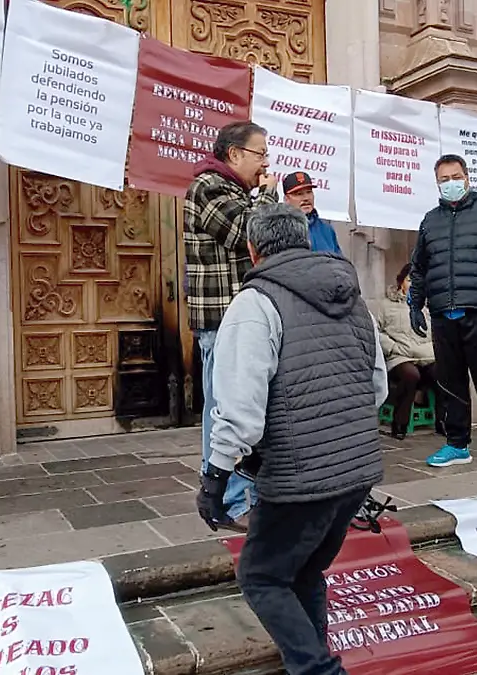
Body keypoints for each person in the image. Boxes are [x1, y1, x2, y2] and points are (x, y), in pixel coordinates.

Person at [194, 203, 388, 675]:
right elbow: (377, 386)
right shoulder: (351, 297)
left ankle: (319, 669)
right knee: (301, 570)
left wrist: (215, 479)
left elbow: (240, 410)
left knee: (261, 575)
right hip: (358, 470)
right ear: (304, 238)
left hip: (302, 476)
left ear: (252, 248)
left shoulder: (256, 302)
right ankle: (313, 658)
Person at [184, 121, 278, 526]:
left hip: (244, 318)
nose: (265, 163)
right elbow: (245, 232)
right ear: (234, 154)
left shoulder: (237, 191)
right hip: (222, 319)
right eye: (260, 154)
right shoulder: (208, 186)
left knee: (246, 406)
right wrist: (268, 195)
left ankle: (249, 494)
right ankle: (229, 502)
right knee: (227, 411)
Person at [407, 154, 477, 479]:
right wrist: (415, 304)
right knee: (450, 384)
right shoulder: (430, 221)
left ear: (467, 178)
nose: (450, 184)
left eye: (455, 177)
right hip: (444, 316)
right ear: (437, 183)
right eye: (444, 179)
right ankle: (457, 445)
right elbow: (419, 268)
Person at [376, 263, 439, 440]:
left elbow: (436, 334)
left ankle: (444, 422)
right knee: (410, 375)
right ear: (401, 281)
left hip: (426, 356)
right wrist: (393, 347)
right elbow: (376, 331)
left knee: (443, 373)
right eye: (410, 280)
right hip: (399, 356)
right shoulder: (386, 305)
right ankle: (400, 423)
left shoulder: (428, 307)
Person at [283, 170, 342, 254]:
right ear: (286, 199)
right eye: (299, 194)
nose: (306, 198)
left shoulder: (326, 228)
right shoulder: (280, 230)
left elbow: (339, 261)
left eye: (309, 192)